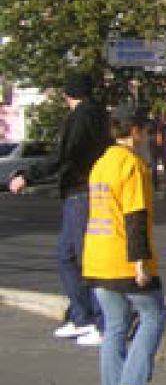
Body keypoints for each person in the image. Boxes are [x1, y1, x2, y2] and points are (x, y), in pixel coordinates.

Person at [8, 71, 111, 346]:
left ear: (68, 94)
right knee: (68, 256)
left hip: (81, 191)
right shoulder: (97, 114)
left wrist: (28, 176)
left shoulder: (81, 117)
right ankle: (82, 317)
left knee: (85, 259)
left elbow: (64, 155)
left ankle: (101, 322)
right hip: (82, 191)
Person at [83, 103, 165, 385]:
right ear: (135, 131)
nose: (147, 135)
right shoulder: (133, 165)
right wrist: (140, 263)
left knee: (115, 326)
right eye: (145, 129)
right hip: (124, 258)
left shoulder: (100, 164)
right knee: (153, 314)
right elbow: (135, 217)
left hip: (97, 257)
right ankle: (133, 381)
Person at [148, 114, 166, 190]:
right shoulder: (163, 125)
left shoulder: (151, 126)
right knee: (165, 166)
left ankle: (155, 184)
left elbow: (149, 133)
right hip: (162, 147)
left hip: (154, 147)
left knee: (155, 166)